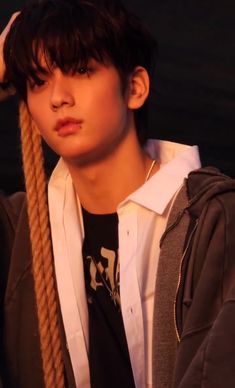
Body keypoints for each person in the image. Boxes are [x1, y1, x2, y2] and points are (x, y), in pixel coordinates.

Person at [1, 1, 235, 387]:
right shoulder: (23, 233)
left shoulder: (214, 223)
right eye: (39, 81)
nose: (58, 97)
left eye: (81, 70)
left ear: (135, 87)